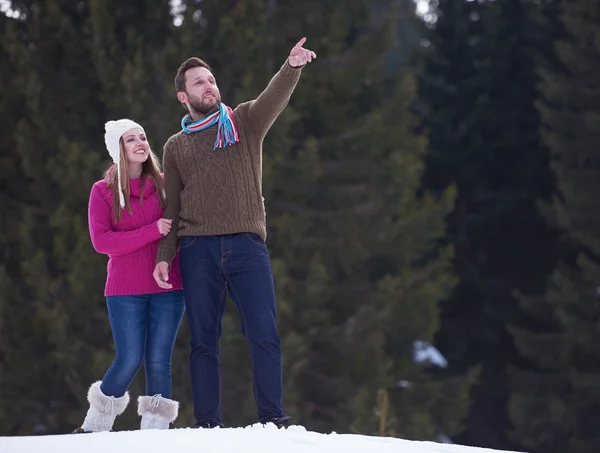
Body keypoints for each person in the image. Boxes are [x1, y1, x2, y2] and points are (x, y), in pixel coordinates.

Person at [152, 37, 316, 429]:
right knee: (203, 342)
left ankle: (273, 418)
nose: (208, 86)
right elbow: (171, 208)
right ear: (183, 96)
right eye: (198, 83)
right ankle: (207, 424)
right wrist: (164, 254)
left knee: (264, 333)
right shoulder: (175, 147)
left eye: (210, 79)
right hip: (196, 250)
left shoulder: (243, 121)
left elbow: (272, 98)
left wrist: (291, 67)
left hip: (246, 246)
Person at [73, 119, 185, 433]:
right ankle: (94, 425)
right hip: (124, 289)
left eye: (143, 137)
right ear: (117, 149)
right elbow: (102, 242)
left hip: (169, 285)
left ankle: (155, 432)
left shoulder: (165, 185)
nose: (140, 143)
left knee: (160, 359)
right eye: (130, 139)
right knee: (129, 358)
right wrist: (152, 230)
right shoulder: (102, 191)